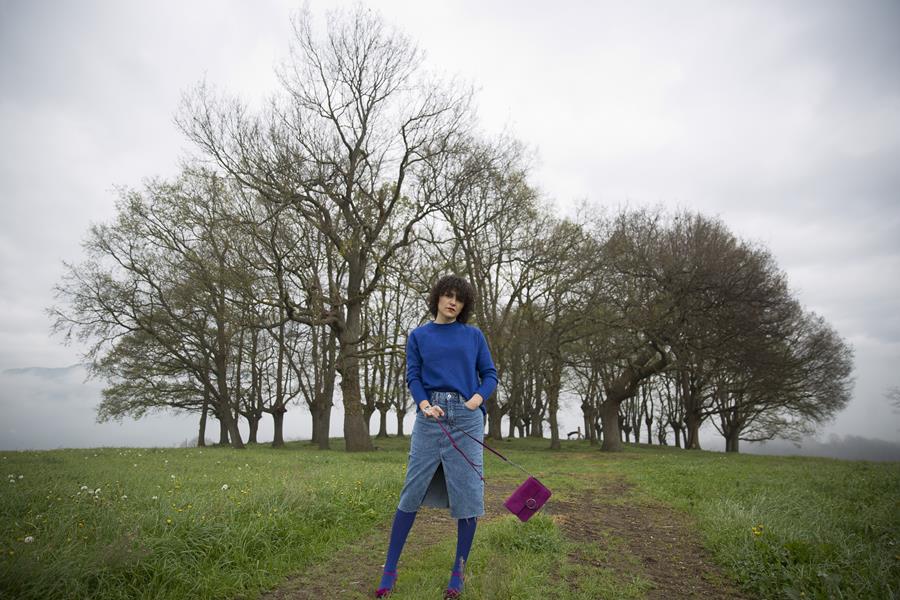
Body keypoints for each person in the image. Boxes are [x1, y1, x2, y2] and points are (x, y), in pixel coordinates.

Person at [375, 274, 498, 599]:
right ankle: (389, 569)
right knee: (411, 492)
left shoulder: (473, 336)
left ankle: (458, 572)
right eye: (447, 295)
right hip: (430, 419)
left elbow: (490, 374)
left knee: (469, 495)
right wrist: (425, 404)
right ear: (437, 298)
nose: (453, 301)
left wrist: (477, 399)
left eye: (459, 298)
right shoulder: (419, 336)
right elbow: (413, 376)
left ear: (464, 304)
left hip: (466, 418)